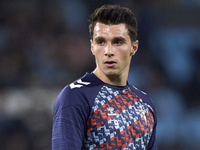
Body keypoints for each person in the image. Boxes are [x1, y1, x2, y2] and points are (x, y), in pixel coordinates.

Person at [52, 4, 157, 150]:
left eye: (117, 42)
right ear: (92, 47)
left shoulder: (145, 103)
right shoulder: (75, 96)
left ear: (134, 47)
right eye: (101, 42)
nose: (108, 51)